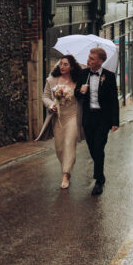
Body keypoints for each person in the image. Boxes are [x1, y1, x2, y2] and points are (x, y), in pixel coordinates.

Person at [37, 55, 83, 189]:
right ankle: (67, 166)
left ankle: (66, 174)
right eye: (61, 64)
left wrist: (83, 91)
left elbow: (83, 97)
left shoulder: (78, 80)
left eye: (65, 64)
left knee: (69, 142)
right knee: (59, 148)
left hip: (73, 116)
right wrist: (51, 105)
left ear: (72, 67)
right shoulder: (51, 80)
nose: (62, 67)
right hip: (58, 118)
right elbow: (44, 96)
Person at [77, 47, 119, 196]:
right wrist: (80, 91)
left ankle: (98, 181)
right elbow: (76, 94)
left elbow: (114, 100)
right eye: (88, 57)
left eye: (92, 59)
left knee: (98, 147)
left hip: (103, 118)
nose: (88, 60)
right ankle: (101, 175)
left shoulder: (109, 76)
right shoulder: (83, 74)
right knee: (92, 148)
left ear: (100, 61)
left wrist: (115, 121)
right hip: (88, 118)